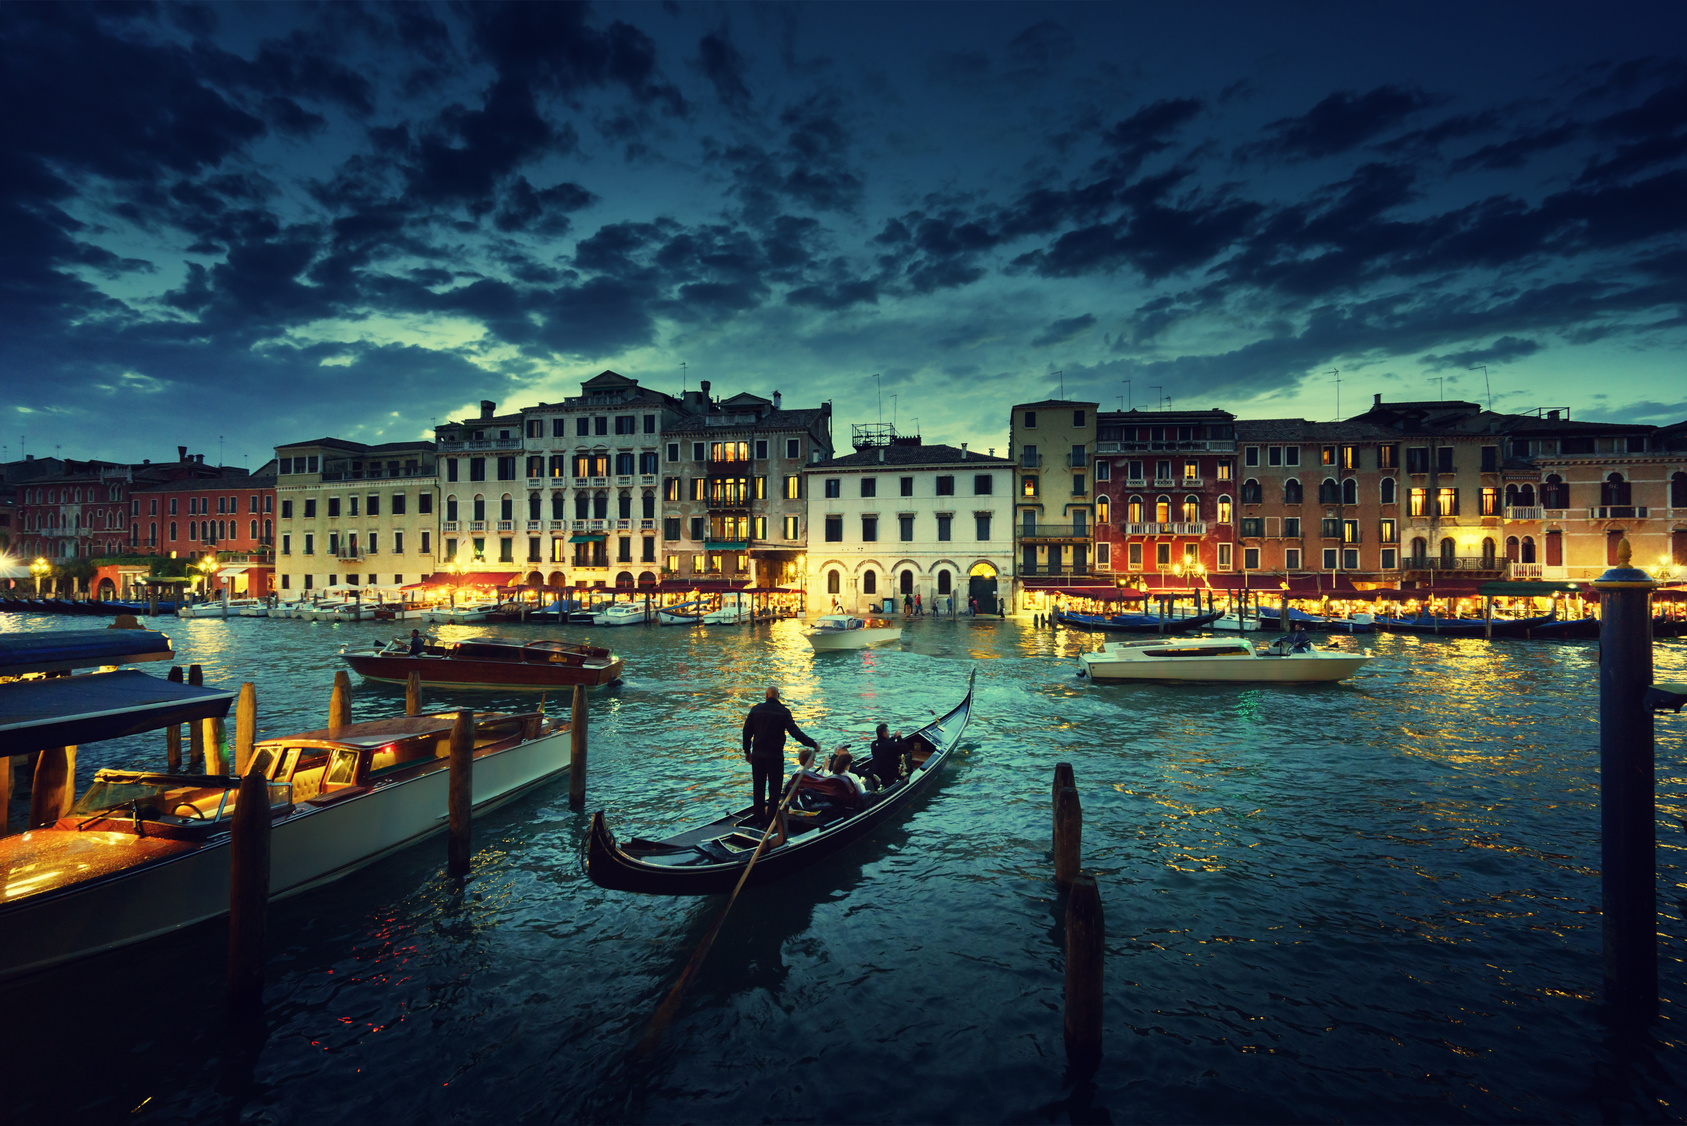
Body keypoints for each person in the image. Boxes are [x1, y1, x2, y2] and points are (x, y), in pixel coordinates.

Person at [742, 686, 819, 823]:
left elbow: (746, 732)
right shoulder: (784, 712)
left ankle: (759, 819)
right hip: (775, 757)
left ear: (766, 695)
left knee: (758, 788)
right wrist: (813, 744)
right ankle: (771, 821)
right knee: (775, 790)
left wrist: (747, 751)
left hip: (758, 756)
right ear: (778, 695)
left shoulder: (755, 710)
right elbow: (796, 733)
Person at [869, 722, 904, 789]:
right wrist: (899, 737)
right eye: (888, 731)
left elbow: (885, 744)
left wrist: (893, 737)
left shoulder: (874, 744)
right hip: (889, 775)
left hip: (878, 772)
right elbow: (904, 748)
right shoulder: (890, 745)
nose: (889, 733)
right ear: (884, 733)